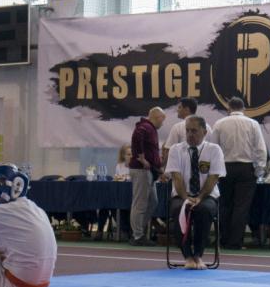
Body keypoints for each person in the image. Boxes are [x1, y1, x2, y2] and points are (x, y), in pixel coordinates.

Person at [166, 115, 226, 269]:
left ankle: (198, 255)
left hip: (207, 195)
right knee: (179, 209)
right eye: (187, 131)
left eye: (194, 131)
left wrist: (199, 197)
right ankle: (187, 256)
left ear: (204, 132)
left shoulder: (214, 150)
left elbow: (213, 177)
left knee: (204, 210)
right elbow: (176, 177)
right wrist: (186, 198)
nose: (190, 134)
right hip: (182, 194)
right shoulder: (175, 150)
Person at [209, 96, 267, 249]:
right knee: (241, 207)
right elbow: (260, 150)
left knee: (224, 205)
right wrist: (258, 170)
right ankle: (235, 242)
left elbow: (213, 149)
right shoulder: (253, 124)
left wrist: (214, 170)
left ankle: (223, 240)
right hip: (246, 169)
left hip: (225, 168)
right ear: (244, 109)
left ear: (228, 108)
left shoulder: (219, 124)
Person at [128, 106, 166, 245]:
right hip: (141, 170)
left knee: (152, 201)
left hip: (148, 171)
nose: (163, 123)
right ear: (157, 117)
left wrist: (158, 168)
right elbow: (136, 137)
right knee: (140, 203)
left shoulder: (149, 128)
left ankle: (137, 231)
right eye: (162, 120)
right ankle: (137, 235)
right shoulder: (146, 127)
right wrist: (141, 158)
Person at [95, 144, 132, 241]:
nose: (131, 156)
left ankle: (125, 230)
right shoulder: (119, 166)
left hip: (131, 196)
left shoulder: (136, 167)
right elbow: (117, 178)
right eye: (128, 154)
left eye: (132, 154)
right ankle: (100, 230)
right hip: (119, 195)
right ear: (123, 155)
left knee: (120, 207)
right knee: (106, 203)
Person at [162, 97, 212, 165]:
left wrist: (165, 168)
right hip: (203, 166)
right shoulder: (208, 127)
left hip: (182, 167)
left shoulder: (177, 127)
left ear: (186, 109)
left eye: (179, 107)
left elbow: (169, 151)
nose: (177, 110)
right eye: (188, 130)